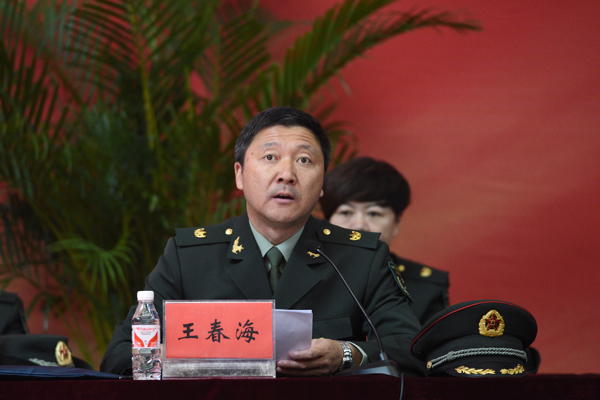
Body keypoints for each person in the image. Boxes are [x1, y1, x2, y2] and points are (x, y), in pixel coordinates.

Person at [100, 107, 425, 377]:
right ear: (239, 174)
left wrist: (345, 353)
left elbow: (411, 349)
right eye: (270, 157)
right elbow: (120, 355)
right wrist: (186, 358)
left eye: (304, 160)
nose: (286, 174)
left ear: (322, 183)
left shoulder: (361, 258)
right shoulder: (188, 257)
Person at [319, 157, 449, 324]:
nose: (359, 225)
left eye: (373, 213)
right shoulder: (301, 276)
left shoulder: (426, 289)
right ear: (327, 222)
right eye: (346, 212)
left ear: (397, 223)